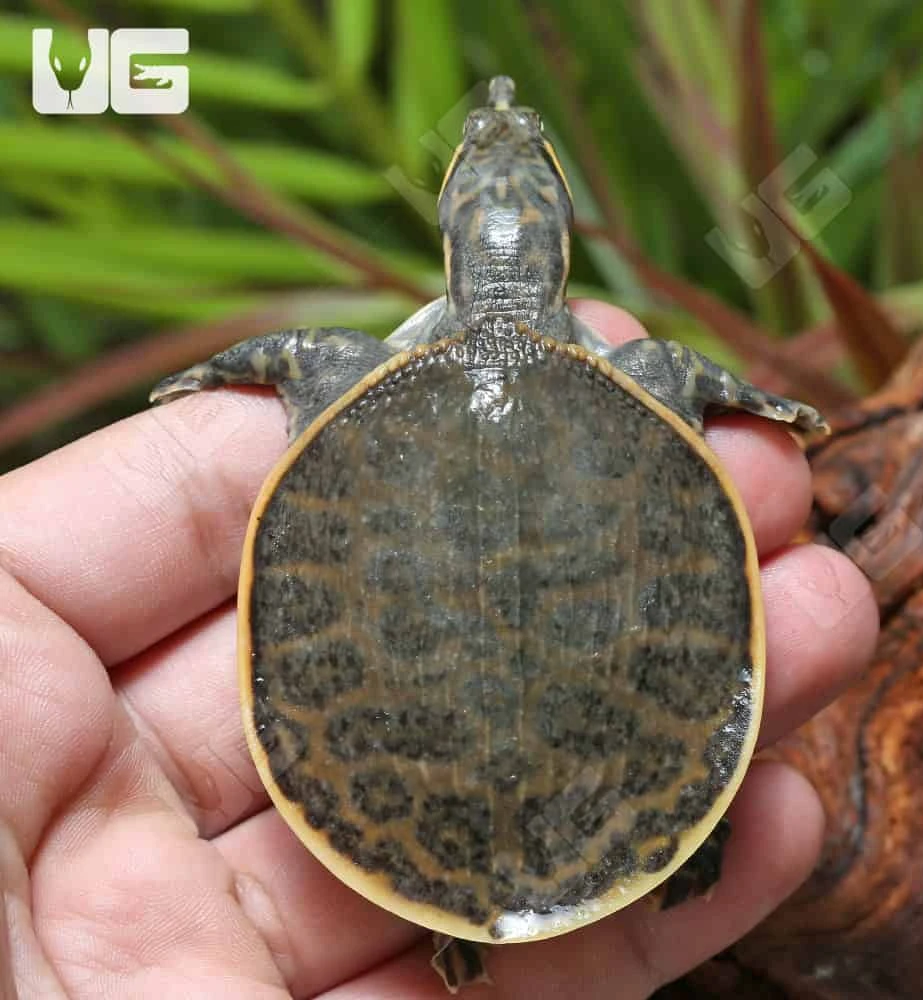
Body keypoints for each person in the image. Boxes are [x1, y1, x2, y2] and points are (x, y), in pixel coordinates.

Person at [0, 303, 878, 999]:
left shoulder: (349, 371)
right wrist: (755, 400)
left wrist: (218, 369)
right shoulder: (649, 377)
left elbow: (296, 354)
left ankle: (511, 882)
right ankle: (671, 824)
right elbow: (676, 372)